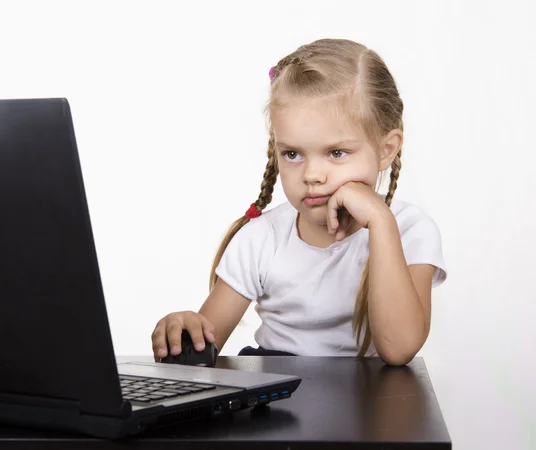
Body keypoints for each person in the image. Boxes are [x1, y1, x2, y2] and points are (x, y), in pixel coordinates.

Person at [151, 38, 447, 366]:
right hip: (277, 396)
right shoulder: (261, 239)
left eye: (336, 153)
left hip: (369, 400)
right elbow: (203, 346)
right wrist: (184, 329)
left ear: (386, 150)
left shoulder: (410, 231)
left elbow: (399, 348)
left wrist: (380, 222)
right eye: (292, 154)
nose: (312, 175)